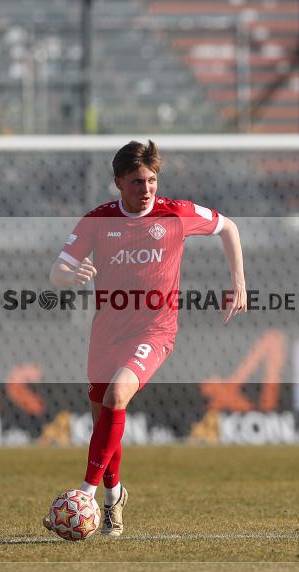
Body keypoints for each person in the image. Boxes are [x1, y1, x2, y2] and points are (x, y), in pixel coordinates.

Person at [43, 140, 247, 536]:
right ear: (118, 182)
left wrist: (239, 283)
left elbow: (229, 228)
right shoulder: (97, 221)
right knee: (104, 417)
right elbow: (58, 271)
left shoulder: (177, 213)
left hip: (155, 329)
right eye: (137, 181)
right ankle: (113, 495)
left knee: (117, 394)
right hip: (106, 333)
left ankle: (83, 496)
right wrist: (71, 276)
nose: (147, 188)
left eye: (152, 180)